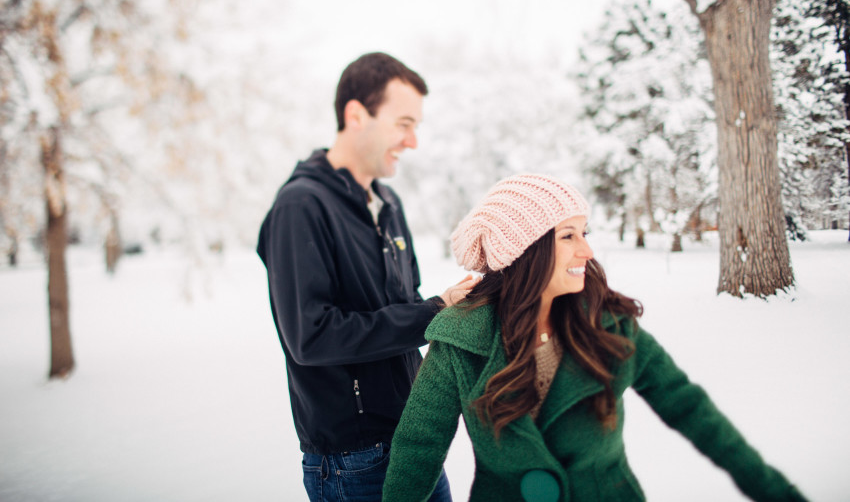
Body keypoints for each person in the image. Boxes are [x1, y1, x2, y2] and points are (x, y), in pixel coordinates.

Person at [382, 173, 808, 502]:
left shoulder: (609, 325)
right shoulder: (460, 340)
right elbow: (418, 447)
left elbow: (693, 411)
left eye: (585, 234)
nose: (586, 251)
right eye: (568, 236)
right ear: (523, 251)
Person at [257, 52, 475, 502]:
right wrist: (431, 312)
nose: (412, 141)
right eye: (403, 123)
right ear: (357, 115)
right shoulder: (301, 207)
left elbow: (404, 306)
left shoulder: (388, 204)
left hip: (414, 442)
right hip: (356, 462)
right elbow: (311, 337)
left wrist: (451, 316)